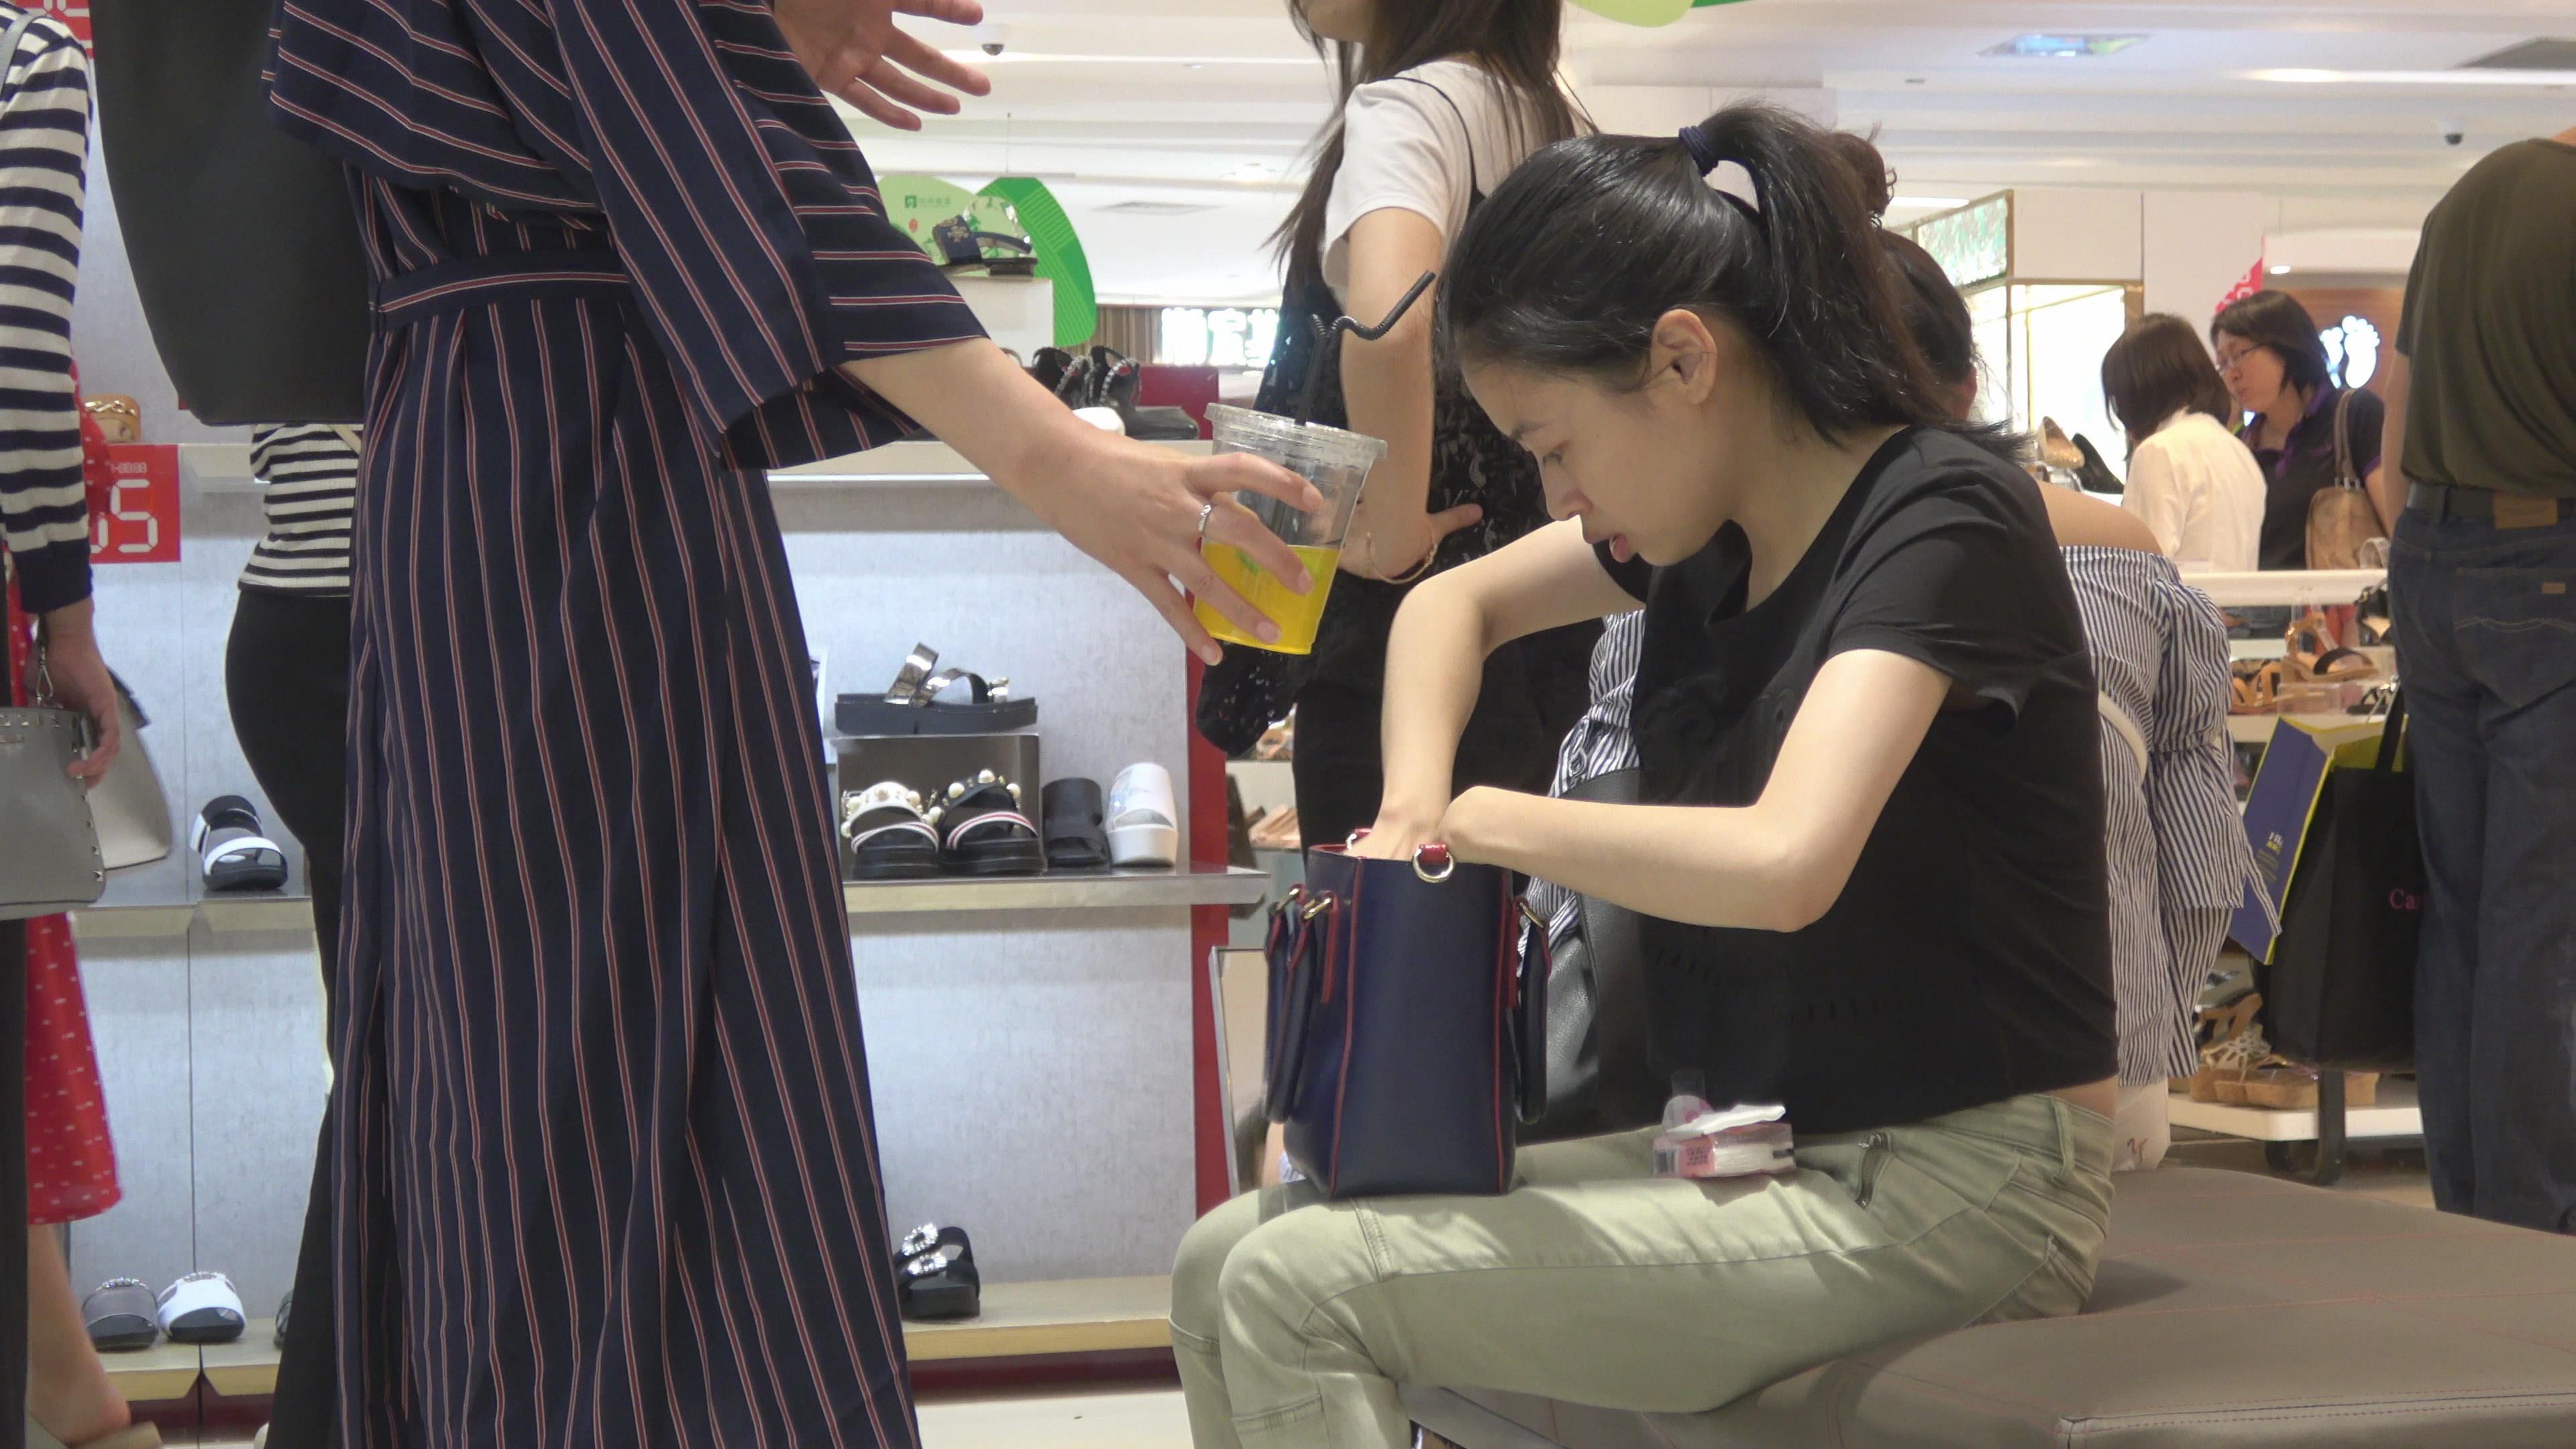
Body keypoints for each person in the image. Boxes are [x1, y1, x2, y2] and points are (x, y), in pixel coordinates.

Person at [262, 1, 1324, 1443]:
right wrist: (1060, 457)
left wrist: (722, 36)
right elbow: (705, 160)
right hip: (566, 450)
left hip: (522, 434)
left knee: (558, 1064)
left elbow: (666, 130)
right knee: (593, 1071)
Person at [1172, 105, 2118, 1449]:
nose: (1558, 494)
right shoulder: (1704, 527)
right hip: (1769, 1146)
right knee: (1224, 1258)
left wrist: (1481, 820)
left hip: (1962, 1188)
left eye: (1556, 445)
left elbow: (1788, 862)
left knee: (1297, 1289)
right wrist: (1410, 806)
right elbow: (1450, 607)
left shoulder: (1939, 514)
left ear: (1683, 361)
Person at [1197, 0, 1597, 851]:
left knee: (1392, 920)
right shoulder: (1552, 124)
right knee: (1531, 922)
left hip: (1401, 657)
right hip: (1554, 625)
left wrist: (1398, 533)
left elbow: (1385, 325)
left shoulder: (1410, 109)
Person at [2375, 123, 2576, 1235]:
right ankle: (2534, 1222)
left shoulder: (2466, 198)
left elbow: (2394, 419)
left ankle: (2470, 1207)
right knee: (2542, 923)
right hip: (2549, 565)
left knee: (2461, 909)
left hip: (2431, 563)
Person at [1, 9, 151, 1447]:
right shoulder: (33, 58)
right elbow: (11, 353)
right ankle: (74, 1394)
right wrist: (65, 618)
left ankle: (68, 1386)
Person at [222, 423, 358, 1449]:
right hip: (393, 621)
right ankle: (337, 1391)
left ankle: (341, 1386)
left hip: (308, 627)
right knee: (410, 1043)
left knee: (388, 1040)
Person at [2210, 290, 2384, 570]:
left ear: (2285, 345)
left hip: (2345, 596)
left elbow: (2398, 526)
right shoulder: (2241, 447)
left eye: (2239, 354)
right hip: (2258, 597)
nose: (2232, 374)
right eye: (2222, 363)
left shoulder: (2354, 414)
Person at [2100, 314, 2264, 571]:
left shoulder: (2159, 451)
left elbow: (2141, 571)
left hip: (2180, 598)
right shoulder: (2239, 453)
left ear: (2138, 389)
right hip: (2233, 598)